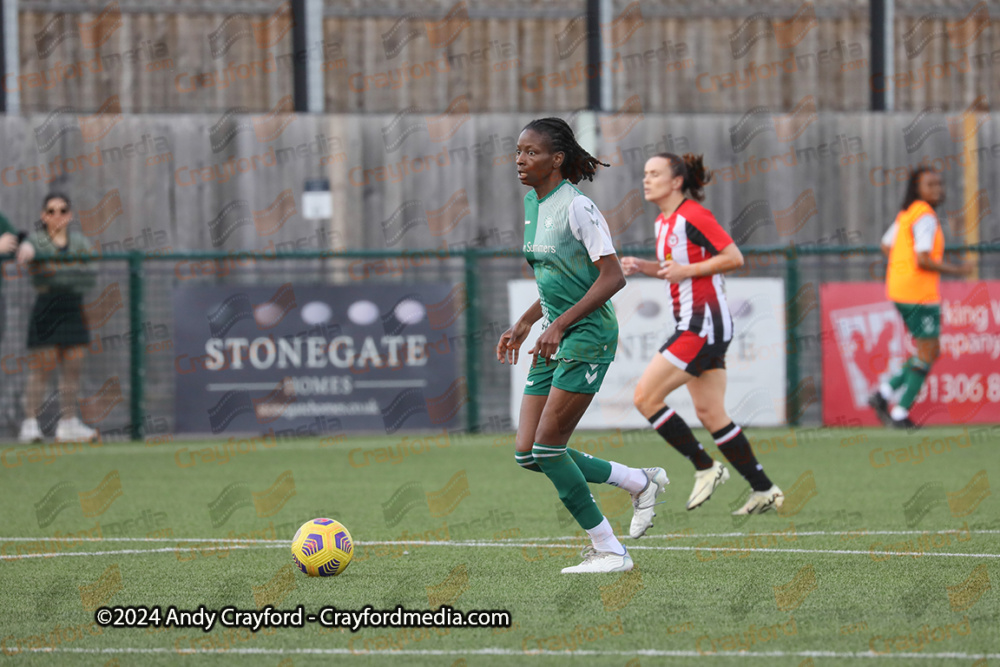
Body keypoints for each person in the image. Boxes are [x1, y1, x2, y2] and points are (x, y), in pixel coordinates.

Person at [497, 117, 668, 574]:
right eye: (518, 150)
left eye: (531, 152)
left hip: (588, 335)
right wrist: (524, 323)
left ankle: (611, 550)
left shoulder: (578, 208)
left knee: (549, 448)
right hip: (557, 333)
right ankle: (638, 481)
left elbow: (612, 277)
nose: (519, 159)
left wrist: (559, 325)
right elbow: (557, 279)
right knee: (528, 453)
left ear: (557, 159)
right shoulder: (535, 204)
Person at [621, 153, 784, 516]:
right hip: (697, 323)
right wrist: (642, 266)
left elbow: (733, 257)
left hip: (703, 324)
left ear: (677, 181)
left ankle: (705, 466)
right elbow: (675, 271)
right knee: (711, 413)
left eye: (654, 173)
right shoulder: (664, 221)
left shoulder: (694, 215)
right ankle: (764, 489)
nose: (646, 180)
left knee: (645, 398)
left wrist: (687, 269)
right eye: (644, 174)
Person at [868, 167, 970, 429]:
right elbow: (924, 261)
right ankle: (900, 412)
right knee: (927, 351)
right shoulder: (924, 216)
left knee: (929, 349)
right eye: (930, 185)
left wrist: (902, 267)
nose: (937, 189)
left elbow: (886, 244)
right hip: (918, 293)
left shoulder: (907, 213)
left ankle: (884, 394)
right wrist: (959, 270)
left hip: (900, 289)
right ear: (917, 188)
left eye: (939, 184)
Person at [17, 194, 99, 443]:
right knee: (42, 368)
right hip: (47, 308)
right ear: (43, 216)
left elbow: (89, 277)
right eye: (51, 211)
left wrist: (53, 272)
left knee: (73, 366)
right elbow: (29, 258)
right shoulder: (37, 241)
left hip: (73, 307)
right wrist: (64, 272)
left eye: (62, 211)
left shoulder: (81, 243)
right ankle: (30, 424)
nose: (57, 216)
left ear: (70, 215)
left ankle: (68, 424)